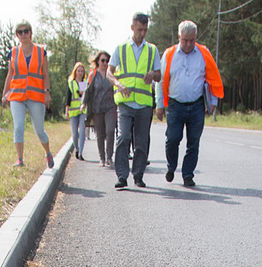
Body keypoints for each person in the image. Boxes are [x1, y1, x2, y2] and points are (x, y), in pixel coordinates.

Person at [155, 20, 223, 187]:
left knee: (194, 141)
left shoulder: (203, 53)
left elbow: (212, 78)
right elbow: (160, 80)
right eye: (185, 40)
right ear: (179, 37)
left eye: (192, 40)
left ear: (195, 38)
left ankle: (188, 175)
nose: (188, 44)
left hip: (196, 105)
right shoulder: (169, 54)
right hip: (175, 104)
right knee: (172, 138)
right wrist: (159, 105)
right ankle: (171, 167)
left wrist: (213, 101)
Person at [108, 13, 161, 189]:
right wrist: (118, 84)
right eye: (139, 29)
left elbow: (159, 75)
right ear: (132, 28)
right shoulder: (121, 49)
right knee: (123, 137)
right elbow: (109, 72)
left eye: (145, 30)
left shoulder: (152, 50)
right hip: (125, 102)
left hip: (144, 104)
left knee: (141, 141)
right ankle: (122, 176)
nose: (142, 33)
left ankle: (138, 175)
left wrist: (153, 74)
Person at [2, 21, 54, 169]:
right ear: (17, 35)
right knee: (18, 127)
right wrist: (5, 94)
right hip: (17, 95)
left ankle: (48, 153)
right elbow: (10, 74)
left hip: (36, 96)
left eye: (26, 31)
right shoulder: (13, 52)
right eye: (20, 32)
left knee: (39, 130)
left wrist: (47, 92)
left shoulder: (40, 51)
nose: (23, 34)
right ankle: (20, 159)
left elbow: (45, 74)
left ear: (31, 33)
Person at [84, 51, 118, 167]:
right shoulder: (93, 74)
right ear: (98, 61)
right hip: (97, 108)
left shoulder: (112, 74)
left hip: (110, 107)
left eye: (107, 61)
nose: (105, 63)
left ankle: (109, 157)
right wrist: (83, 103)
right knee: (100, 134)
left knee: (110, 131)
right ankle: (102, 158)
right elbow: (88, 91)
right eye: (102, 60)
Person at [66, 62, 87, 160]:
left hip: (82, 110)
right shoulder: (71, 83)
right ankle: (77, 148)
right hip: (73, 111)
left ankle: (81, 153)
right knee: (75, 133)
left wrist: (82, 93)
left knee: (82, 130)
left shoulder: (84, 82)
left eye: (82, 71)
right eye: (78, 71)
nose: (80, 73)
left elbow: (84, 97)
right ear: (75, 71)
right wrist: (66, 110)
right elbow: (68, 98)